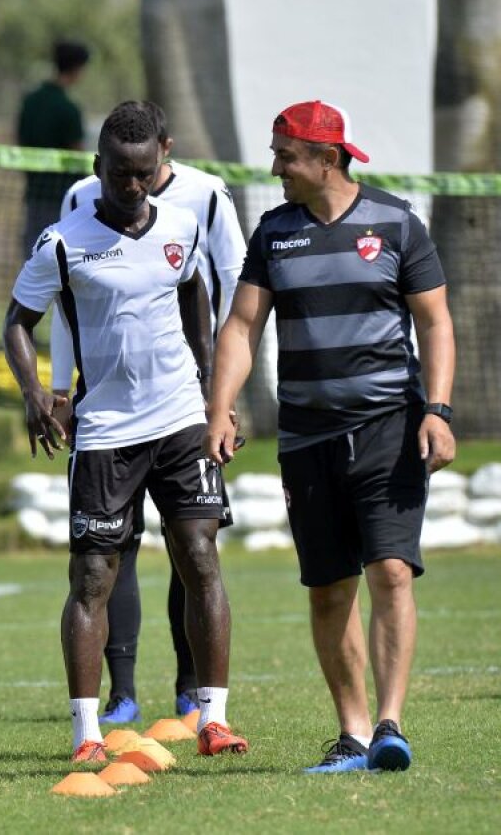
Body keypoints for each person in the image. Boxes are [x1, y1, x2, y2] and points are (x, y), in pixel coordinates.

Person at [206, 100, 456, 773]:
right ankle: (350, 735)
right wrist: (220, 406)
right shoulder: (274, 232)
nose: (275, 167)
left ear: (327, 159)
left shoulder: (398, 222)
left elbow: (434, 322)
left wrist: (438, 409)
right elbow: (240, 327)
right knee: (329, 586)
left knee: (393, 571)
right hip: (306, 437)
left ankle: (389, 725)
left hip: (389, 428)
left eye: (285, 155)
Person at [3, 103, 248, 764]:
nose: (133, 186)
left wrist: (210, 392)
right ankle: (87, 733)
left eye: (144, 174)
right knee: (92, 576)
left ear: (158, 165)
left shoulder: (182, 225)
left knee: (199, 555)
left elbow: (196, 293)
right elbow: (17, 322)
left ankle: (212, 718)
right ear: (98, 168)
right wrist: (36, 395)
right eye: (120, 174)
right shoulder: (63, 242)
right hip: (106, 429)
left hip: (179, 421)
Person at [16, 39, 90, 253]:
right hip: (62, 200)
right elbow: (77, 154)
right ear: (77, 69)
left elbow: (19, 143)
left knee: (33, 258)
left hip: (34, 195)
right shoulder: (68, 109)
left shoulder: (30, 102)